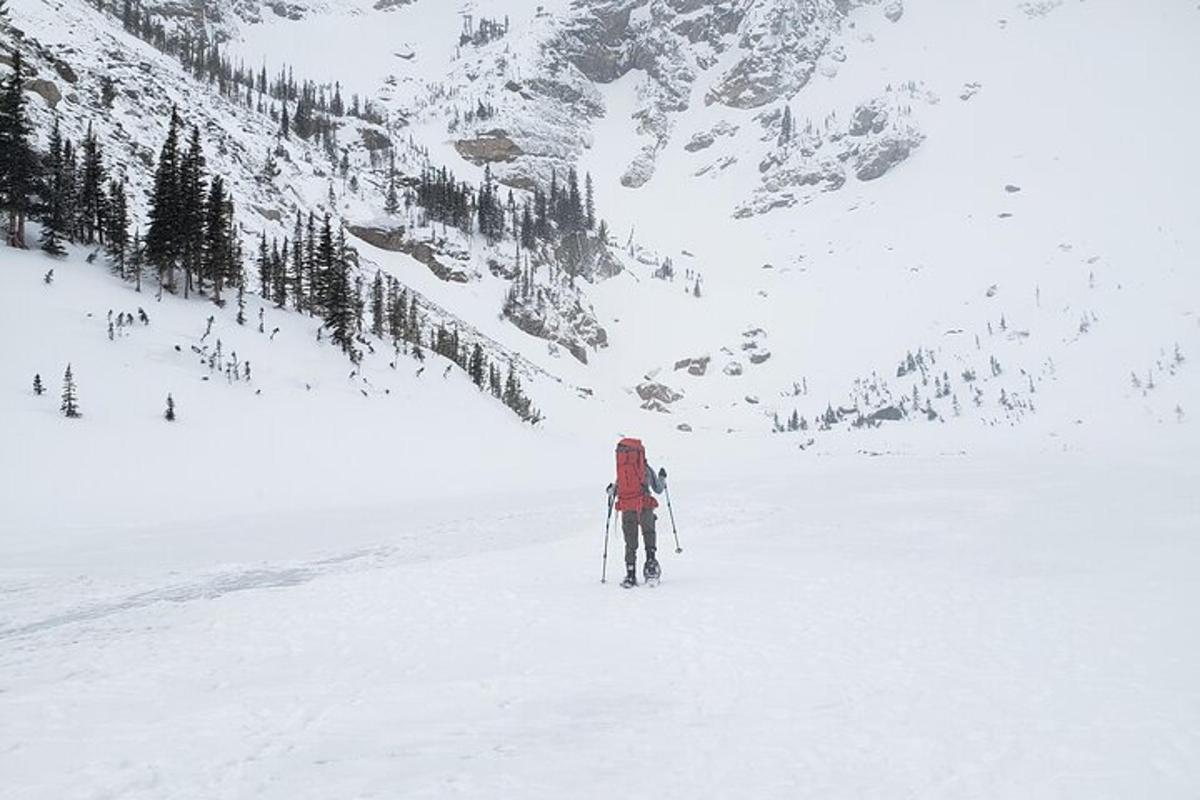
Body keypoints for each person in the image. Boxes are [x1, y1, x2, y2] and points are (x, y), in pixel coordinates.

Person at [608, 438, 667, 587]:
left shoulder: (623, 470)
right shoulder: (645, 468)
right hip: (644, 505)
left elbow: (615, 489)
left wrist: (610, 490)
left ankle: (630, 574)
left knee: (630, 540)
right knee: (648, 533)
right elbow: (658, 489)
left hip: (628, 506)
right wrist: (662, 478)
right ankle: (651, 567)